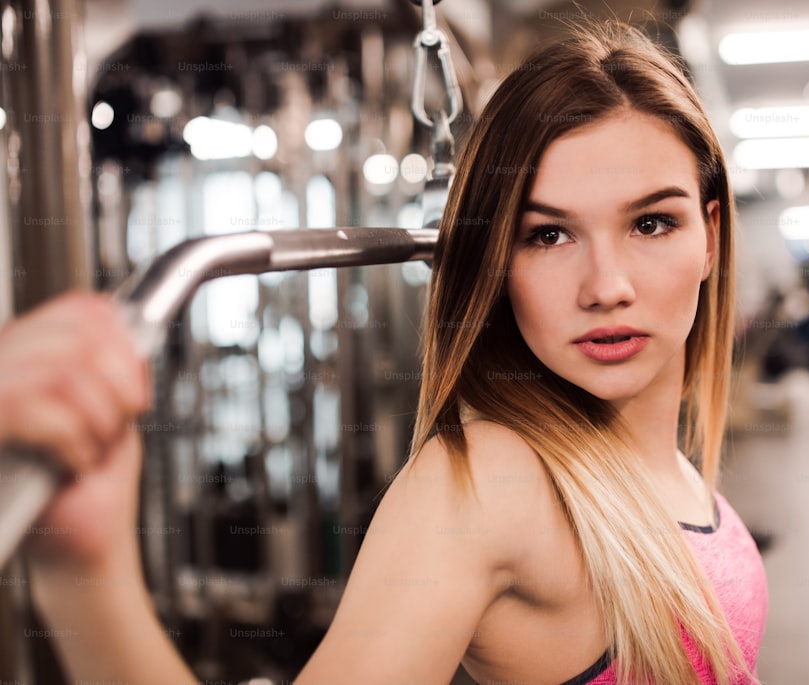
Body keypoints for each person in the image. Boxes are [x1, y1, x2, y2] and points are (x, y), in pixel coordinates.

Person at [0, 20, 767, 685]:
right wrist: (88, 573)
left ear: (712, 236)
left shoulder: (667, 466)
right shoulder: (493, 483)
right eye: (548, 234)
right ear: (498, 262)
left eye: (651, 224)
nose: (607, 286)